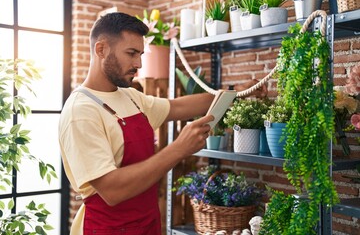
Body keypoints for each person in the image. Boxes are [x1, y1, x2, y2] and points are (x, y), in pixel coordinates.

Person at [58, 12, 266, 235]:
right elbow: (111, 190)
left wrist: (239, 92)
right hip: (107, 229)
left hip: (146, 224)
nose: (138, 63)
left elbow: (179, 106)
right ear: (101, 50)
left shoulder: (130, 97)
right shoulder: (81, 111)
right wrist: (179, 149)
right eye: (131, 53)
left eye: (140, 54)